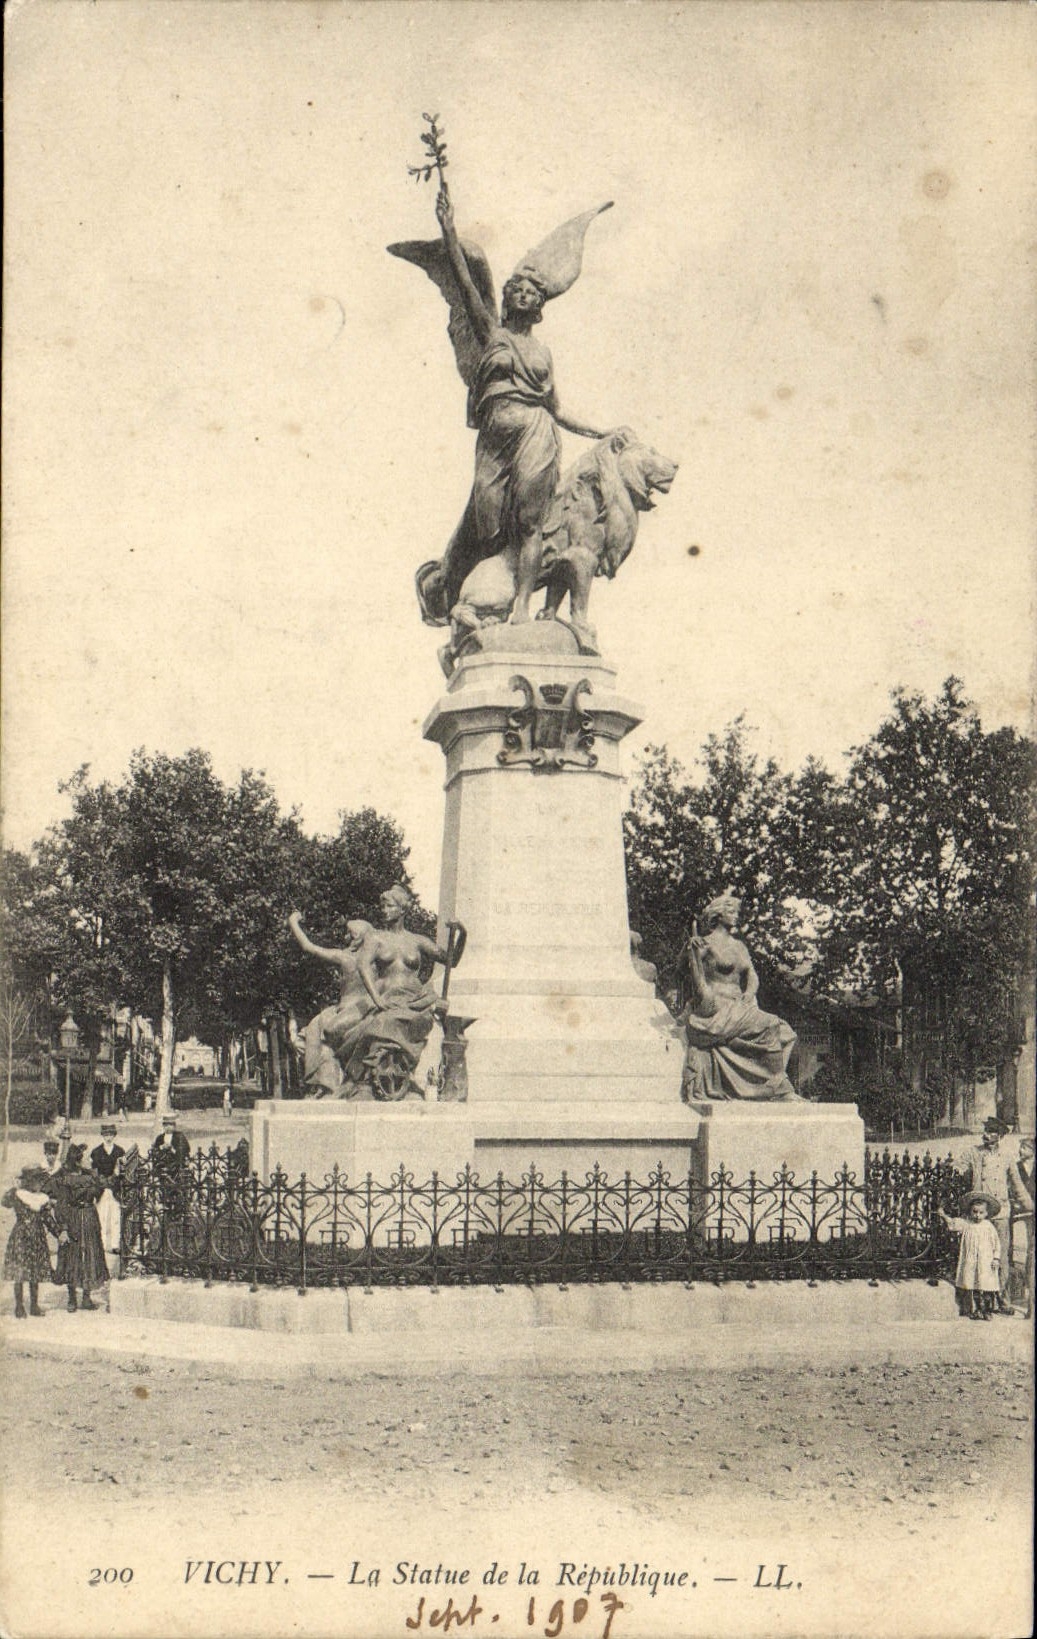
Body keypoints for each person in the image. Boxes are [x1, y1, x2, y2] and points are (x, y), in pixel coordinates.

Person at [678, 892, 800, 1102]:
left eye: (736, 912)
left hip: (741, 1005)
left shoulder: (739, 946)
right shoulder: (704, 943)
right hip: (716, 1008)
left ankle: (765, 1087)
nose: (736, 916)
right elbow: (681, 970)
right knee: (771, 1025)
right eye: (731, 911)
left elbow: (751, 974)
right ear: (718, 915)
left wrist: (750, 992)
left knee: (787, 1034)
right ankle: (781, 1090)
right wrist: (688, 949)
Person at [289, 914, 376, 1096]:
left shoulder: (345, 957)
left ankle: (325, 1084)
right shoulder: (376, 962)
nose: (346, 938)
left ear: (357, 938)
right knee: (316, 1032)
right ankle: (325, 1083)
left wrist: (293, 922)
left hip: (348, 1012)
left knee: (317, 1035)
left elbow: (308, 947)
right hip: (355, 1010)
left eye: (350, 934)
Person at [965, 1117, 1016, 1314]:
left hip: (1001, 1212)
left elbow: (1016, 1184)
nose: (986, 1135)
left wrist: (1029, 1204)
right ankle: (981, 1303)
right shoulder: (973, 1153)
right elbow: (959, 1165)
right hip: (980, 1213)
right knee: (979, 1257)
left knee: (1001, 1257)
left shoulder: (1007, 1156)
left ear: (1000, 1136)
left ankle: (1003, 1301)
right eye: (985, 1131)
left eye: (991, 1132)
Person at [2, 1166, 65, 1318]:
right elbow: (4, 1202)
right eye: (37, 1181)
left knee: (35, 1272)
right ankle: (19, 1306)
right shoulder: (18, 1195)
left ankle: (34, 1306)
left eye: (40, 1181)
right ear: (29, 1182)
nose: (39, 1184)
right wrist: (13, 1188)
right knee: (20, 1272)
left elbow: (47, 1219)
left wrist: (59, 1234)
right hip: (21, 1235)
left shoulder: (42, 1198)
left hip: (37, 1236)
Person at [52, 1143, 108, 1311]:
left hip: (89, 1218)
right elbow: (61, 1205)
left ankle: (86, 1297)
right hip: (73, 1218)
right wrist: (63, 1228)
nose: (88, 1161)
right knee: (71, 1256)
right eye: (84, 1158)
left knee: (89, 1255)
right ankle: (71, 1299)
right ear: (77, 1161)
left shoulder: (91, 1176)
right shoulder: (64, 1178)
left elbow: (101, 1189)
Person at [938, 1193, 1003, 1320]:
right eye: (975, 1212)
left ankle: (986, 1310)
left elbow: (996, 1244)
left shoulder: (989, 1227)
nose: (977, 1215)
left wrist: (996, 1258)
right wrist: (943, 1215)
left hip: (985, 1261)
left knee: (986, 1285)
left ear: (986, 1213)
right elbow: (953, 1223)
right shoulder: (966, 1224)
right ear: (970, 1211)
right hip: (971, 1261)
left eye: (981, 1212)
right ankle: (975, 1310)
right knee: (973, 1284)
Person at [90, 1123, 126, 1260]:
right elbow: (94, 1172)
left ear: (114, 1135)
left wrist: (113, 1179)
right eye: (106, 1135)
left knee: (115, 1216)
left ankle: (115, 1244)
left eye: (111, 1135)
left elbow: (122, 1171)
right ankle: (103, 1244)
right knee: (102, 1216)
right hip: (102, 1189)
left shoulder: (119, 1151)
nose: (108, 1137)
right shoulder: (96, 1152)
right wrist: (102, 1182)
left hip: (115, 1189)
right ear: (102, 1136)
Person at [1008, 1136, 1034, 1320]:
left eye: (1025, 1147)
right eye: (1021, 1147)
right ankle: (1018, 1288)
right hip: (1019, 1212)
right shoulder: (1016, 1166)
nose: (1021, 1150)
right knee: (1019, 1248)